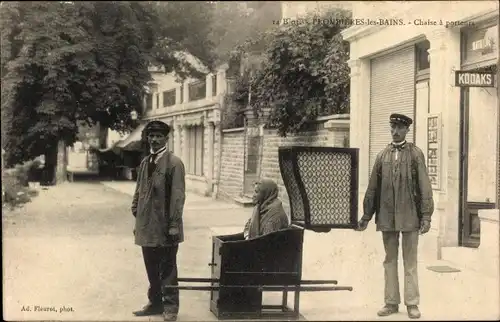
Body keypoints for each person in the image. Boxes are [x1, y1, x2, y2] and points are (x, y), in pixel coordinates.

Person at [356, 113, 434, 320]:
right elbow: (373, 188)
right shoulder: (381, 156)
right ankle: (391, 302)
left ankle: (412, 303)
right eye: (392, 127)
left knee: (410, 261)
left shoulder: (416, 154)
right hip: (387, 217)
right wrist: (366, 216)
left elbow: (425, 186)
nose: (395, 131)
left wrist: (426, 215)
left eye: (400, 128)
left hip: (410, 216)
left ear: (407, 130)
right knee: (389, 260)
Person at [131, 120, 186, 322]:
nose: (154, 140)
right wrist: (136, 209)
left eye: (158, 136)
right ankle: (155, 304)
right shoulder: (146, 162)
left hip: (166, 228)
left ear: (166, 138)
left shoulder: (174, 163)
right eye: (151, 136)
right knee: (151, 268)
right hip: (147, 227)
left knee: (168, 269)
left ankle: (171, 308)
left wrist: (173, 224)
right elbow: (139, 190)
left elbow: (178, 197)